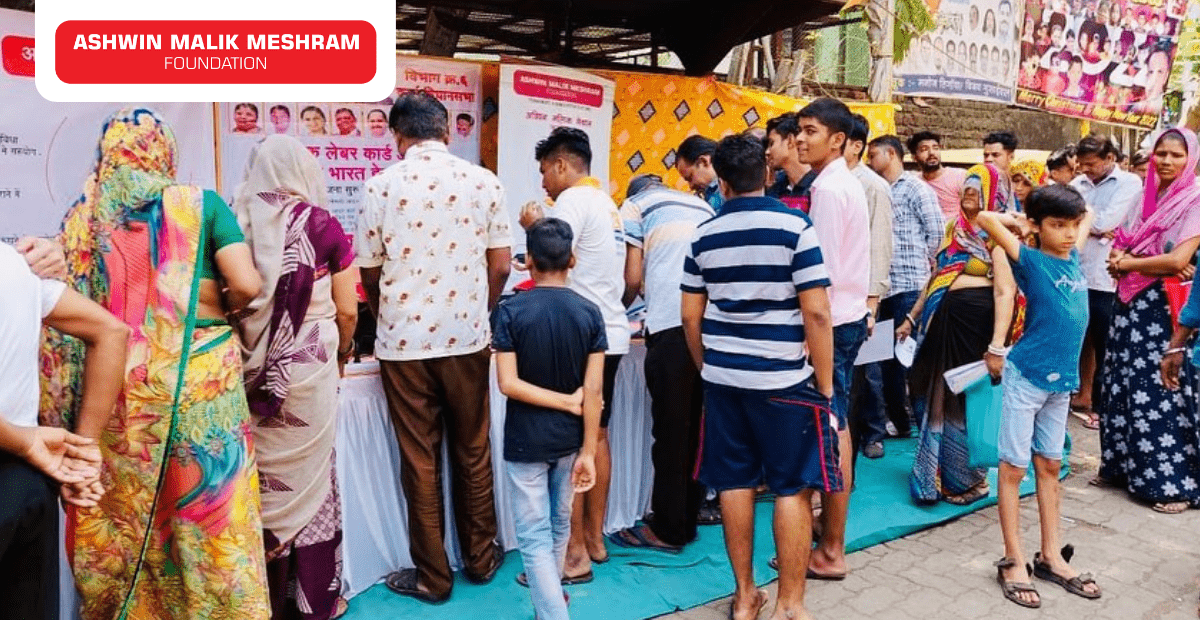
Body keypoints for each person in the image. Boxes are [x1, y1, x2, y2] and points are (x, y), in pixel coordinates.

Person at [42, 107, 271, 619]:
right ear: (164, 151)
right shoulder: (200, 204)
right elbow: (250, 284)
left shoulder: (85, 221)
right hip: (201, 385)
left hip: (122, 391)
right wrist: (226, 308)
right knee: (211, 512)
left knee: (137, 514)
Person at [356, 92, 511, 603]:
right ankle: (482, 560)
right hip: (466, 338)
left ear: (398, 136)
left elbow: (371, 269)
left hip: (404, 344)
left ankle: (433, 578)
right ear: (447, 132)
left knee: (419, 459)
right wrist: (478, 311)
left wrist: (388, 318)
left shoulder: (380, 186)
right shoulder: (484, 182)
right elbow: (503, 264)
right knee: (473, 448)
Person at [681, 134, 838, 620]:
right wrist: (826, 387)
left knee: (734, 482)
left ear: (721, 181)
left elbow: (690, 316)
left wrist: (707, 365)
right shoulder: (796, 226)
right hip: (785, 382)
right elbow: (817, 314)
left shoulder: (703, 235)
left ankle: (746, 594)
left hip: (725, 378)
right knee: (792, 488)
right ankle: (790, 605)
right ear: (766, 176)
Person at [232, 135, 359, 620]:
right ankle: (311, 598)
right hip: (309, 371)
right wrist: (344, 351)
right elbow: (347, 310)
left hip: (248, 370)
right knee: (311, 479)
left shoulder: (236, 223)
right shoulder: (322, 224)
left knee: (260, 480)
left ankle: (257, 597)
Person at [977, 185, 1101, 609]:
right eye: (1057, 226)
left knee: (1049, 464)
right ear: (1038, 226)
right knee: (1012, 469)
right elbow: (985, 219)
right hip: (1026, 376)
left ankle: (1051, 555)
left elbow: (1091, 212)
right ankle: (1014, 559)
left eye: (1072, 226)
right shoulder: (1029, 260)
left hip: (1061, 383)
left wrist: (1071, 219)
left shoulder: (1075, 255)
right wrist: (1022, 222)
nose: (1068, 233)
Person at [519, 127, 629, 583]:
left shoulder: (570, 203)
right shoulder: (608, 204)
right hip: (612, 332)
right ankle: (595, 540)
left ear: (563, 166)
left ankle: (574, 554)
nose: (543, 182)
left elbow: (551, 258)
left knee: (573, 447)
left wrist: (531, 227)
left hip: (579, 338)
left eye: (545, 171)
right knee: (596, 438)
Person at [0, 241, 127, 620]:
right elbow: (111, 332)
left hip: (27, 457)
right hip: (25, 483)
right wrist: (81, 447)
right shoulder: (13, 264)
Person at [493, 218, 604, 620]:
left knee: (536, 538)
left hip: (525, 440)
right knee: (557, 528)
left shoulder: (510, 311)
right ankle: (551, 609)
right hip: (570, 441)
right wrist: (588, 450)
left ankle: (554, 614)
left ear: (530, 261)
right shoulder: (590, 313)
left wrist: (567, 406)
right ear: (572, 259)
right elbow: (593, 395)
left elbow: (508, 383)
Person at [897, 164, 1020, 505]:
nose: (969, 190)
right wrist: (912, 316)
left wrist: (997, 346)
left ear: (994, 193)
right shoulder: (954, 227)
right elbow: (937, 276)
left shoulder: (998, 234)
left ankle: (969, 480)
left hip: (974, 331)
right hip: (940, 327)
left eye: (977, 186)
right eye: (966, 184)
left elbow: (1005, 292)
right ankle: (936, 474)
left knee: (963, 402)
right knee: (931, 396)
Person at [609, 174, 714, 552]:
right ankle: (687, 517)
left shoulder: (634, 208)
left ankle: (668, 530)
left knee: (669, 432)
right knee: (694, 429)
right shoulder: (701, 205)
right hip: (707, 327)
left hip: (671, 325)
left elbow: (633, 278)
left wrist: (613, 311)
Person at [1100, 127, 1200, 513]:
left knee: (1161, 389)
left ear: (1189, 158)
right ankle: (1123, 468)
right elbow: (1120, 241)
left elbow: (1177, 261)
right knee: (1122, 382)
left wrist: (1127, 264)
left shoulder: (1193, 199)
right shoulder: (1144, 196)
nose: (1167, 161)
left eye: (1176, 155)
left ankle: (1172, 483)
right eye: (1161, 153)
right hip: (1130, 305)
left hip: (1165, 311)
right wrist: (1120, 261)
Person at [792, 98, 869, 581]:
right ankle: (828, 540)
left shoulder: (828, 190)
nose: (801, 139)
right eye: (798, 131)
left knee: (830, 425)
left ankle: (830, 548)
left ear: (837, 139)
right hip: (848, 317)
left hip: (832, 322)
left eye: (810, 131)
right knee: (837, 422)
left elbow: (819, 279)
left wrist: (807, 334)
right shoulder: (843, 183)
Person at [867, 135, 945, 442]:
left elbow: (937, 233)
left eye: (873, 155)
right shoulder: (876, 188)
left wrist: (924, 269)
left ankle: (915, 425)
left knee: (905, 360)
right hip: (881, 287)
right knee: (881, 360)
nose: (870, 161)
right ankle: (895, 420)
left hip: (909, 286)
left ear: (890, 154)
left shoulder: (915, 188)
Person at [1070, 135, 1142, 431]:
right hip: (1075, 273)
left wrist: (1085, 226)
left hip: (1106, 277)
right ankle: (1070, 397)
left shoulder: (1129, 184)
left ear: (1110, 158)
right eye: (1082, 165)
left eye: (1091, 165)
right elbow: (1065, 218)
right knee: (1073, 340)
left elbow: (1107, 222)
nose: (1085, 170)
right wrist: (1091, 227)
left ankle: (1101, 408)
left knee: (1104, 347)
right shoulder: (1077, 185)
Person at [843, 116, 894, 460]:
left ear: (855, 145)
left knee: (869, 369)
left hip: (866, 293)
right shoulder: (826, 181)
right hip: (840, 292)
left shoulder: (872, 186)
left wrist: (872, 300)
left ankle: (874, 433)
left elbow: (880, 243)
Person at [908, 131, 968, 221]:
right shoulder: (914, 182)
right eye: (924, 149)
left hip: (955, 230)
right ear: (914, 157)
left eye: (935, 148)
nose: (931, 153)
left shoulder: (959, 176)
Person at [764, 112, 816, 211]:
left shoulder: (817, 186)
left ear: (790, 140)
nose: (767, 152)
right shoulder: (775, 187)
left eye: (772, 143)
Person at [675, 135, 723, 212]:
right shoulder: (710, 194)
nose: (691, 186)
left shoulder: (728, 187)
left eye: (690, 177)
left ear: (704, 161)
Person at [984, 131, 1020, 212]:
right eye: (986, 155)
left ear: (1011, 157)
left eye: (995, 155)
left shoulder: (1018, 184)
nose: (988, 159)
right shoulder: (979, 182)